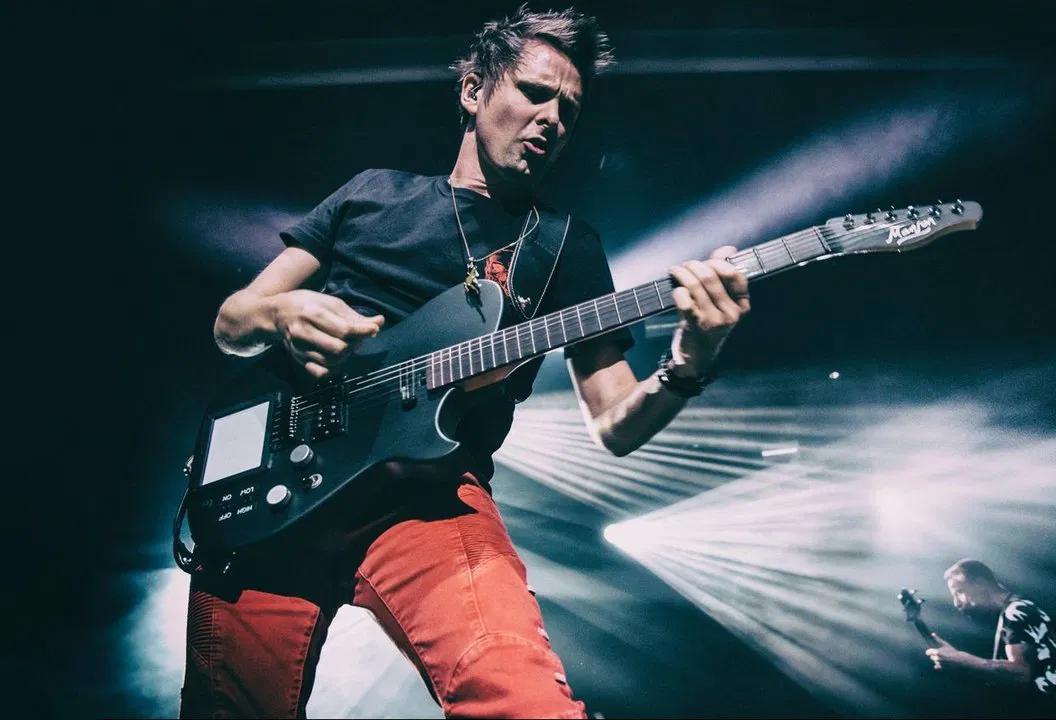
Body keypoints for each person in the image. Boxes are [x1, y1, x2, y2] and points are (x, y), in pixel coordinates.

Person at [179, 5, 750, 718]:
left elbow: (615, 424)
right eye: (535, 93)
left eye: (569, 111)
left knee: (523, 700)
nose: (552, 120)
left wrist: (688, 362)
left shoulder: (566, 247)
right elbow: (233, 323)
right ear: (474, 90)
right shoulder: (371, 193)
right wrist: (283, 314)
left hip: (429, 501)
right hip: (280, 485)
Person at [926, 558, 1056, 711]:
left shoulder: (1016, 611)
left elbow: (1021, 674)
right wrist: (956, 657)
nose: (956, 603)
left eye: (960, 592)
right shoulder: (1015, 609)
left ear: (981, 583)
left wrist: (962, 660)